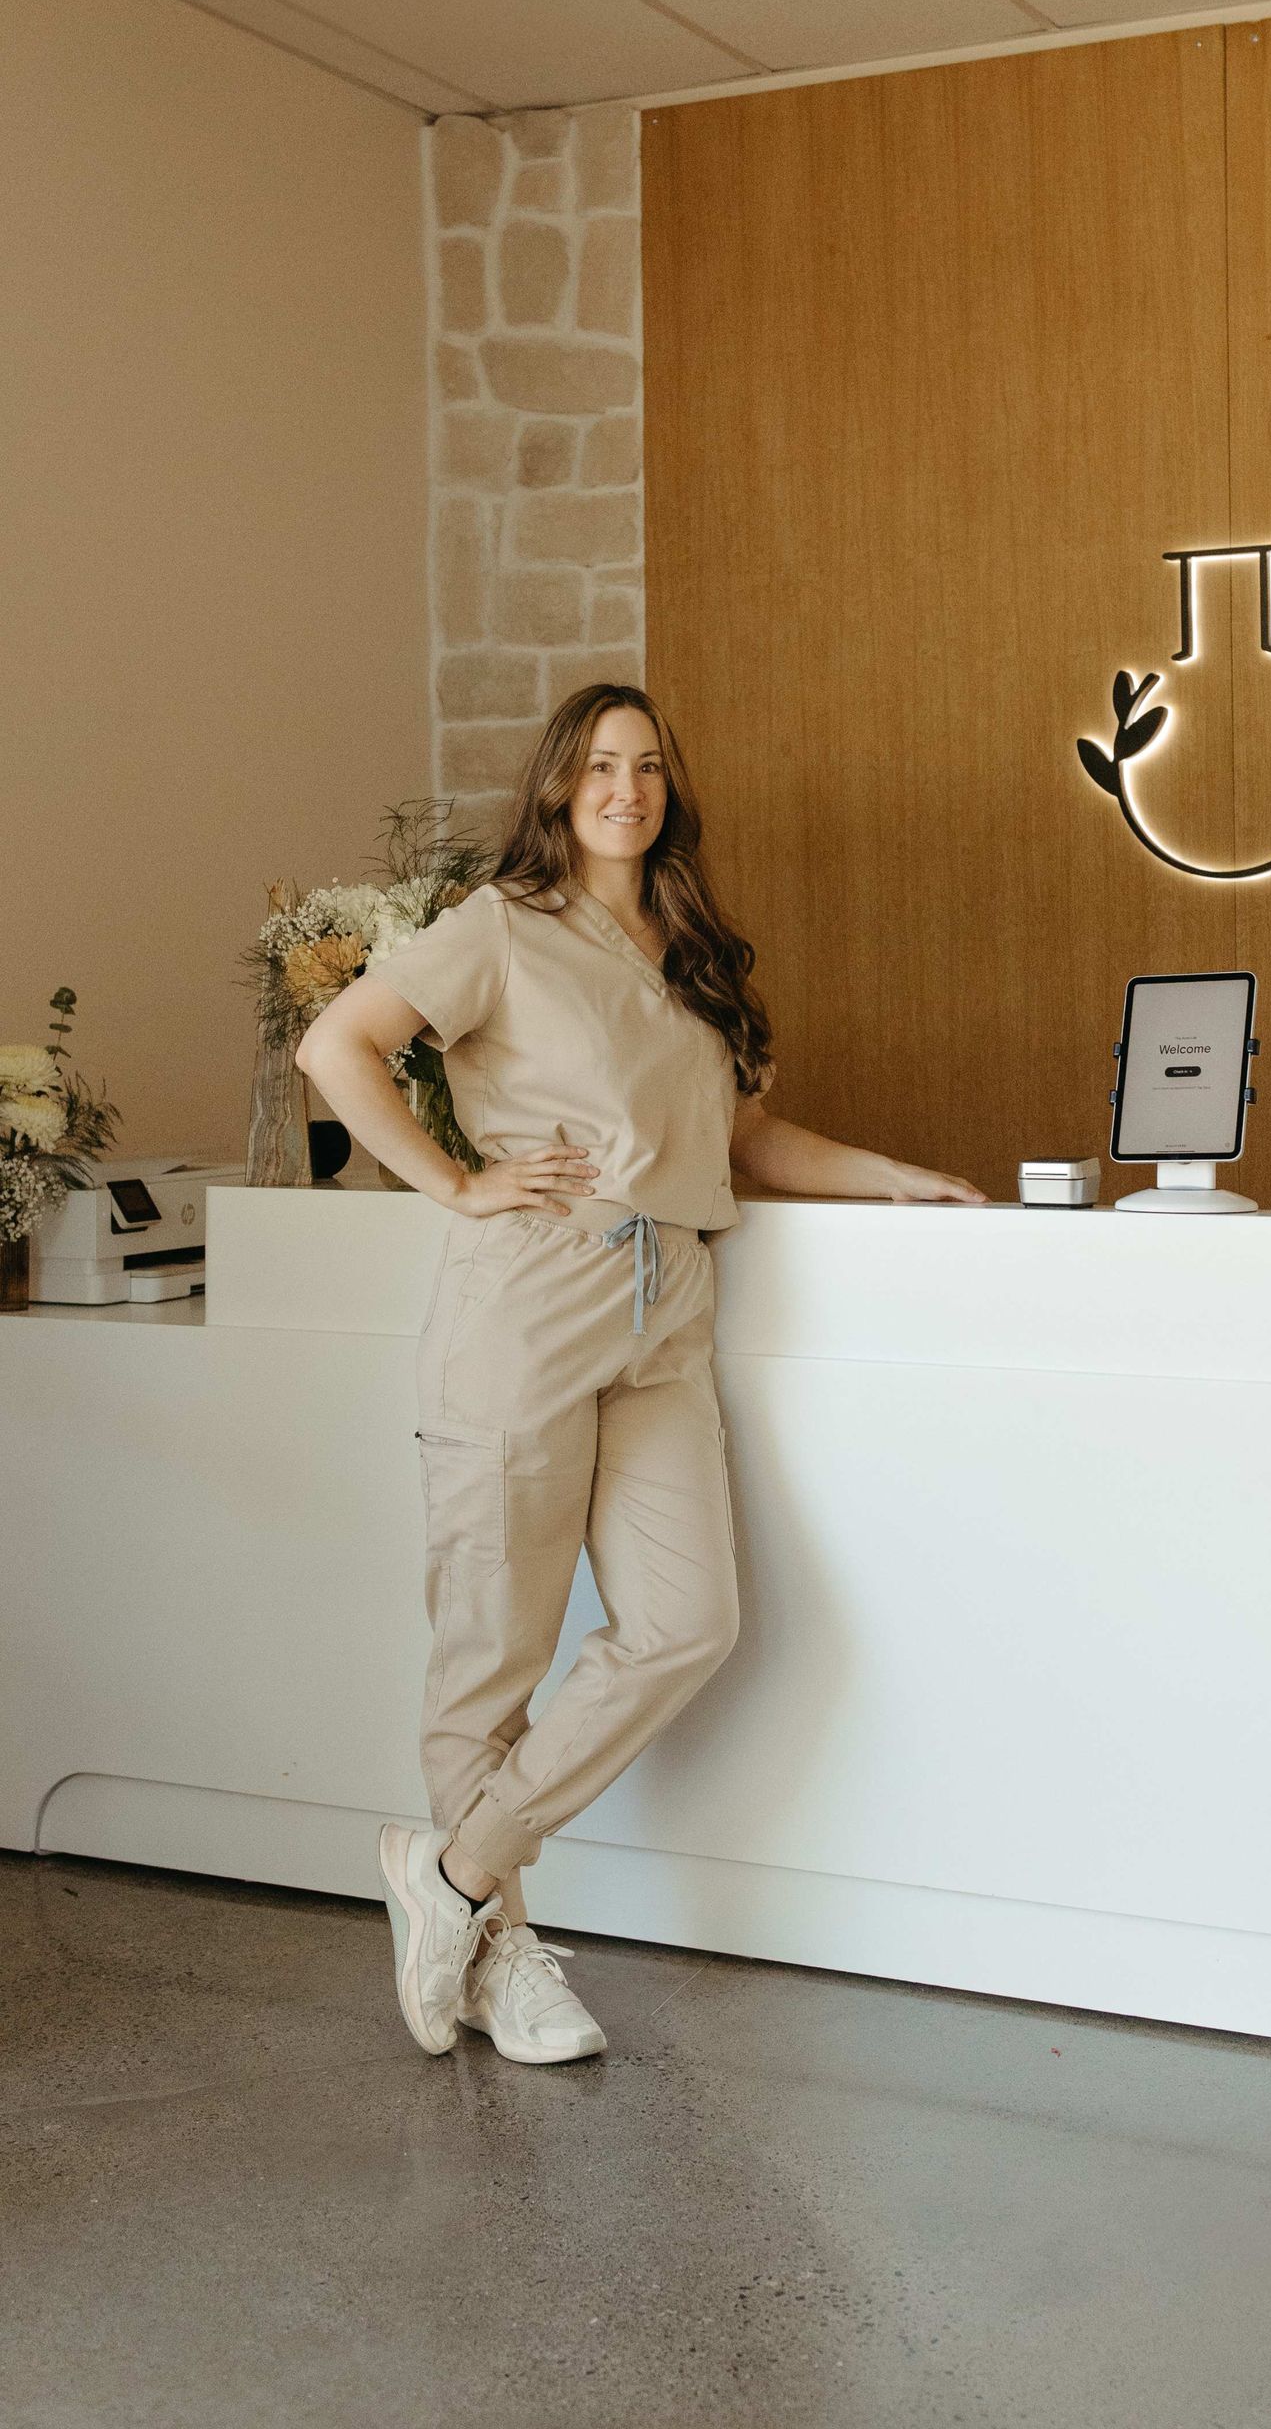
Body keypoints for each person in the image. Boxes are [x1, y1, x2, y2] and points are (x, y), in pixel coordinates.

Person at [298, 682, 982, 2066]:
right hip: (532, 1302)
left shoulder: (696, 950)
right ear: (559, 787)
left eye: (650, 766)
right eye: (602, 765)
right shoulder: (501, 929)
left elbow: (746, 1138)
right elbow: (337, 1046)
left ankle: (455, 1868)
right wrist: (456, 1180)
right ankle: (501, 1959)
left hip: (668, 1309)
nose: (628, 787)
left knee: (687, 1619)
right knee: (493, 1648)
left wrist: (891, 1177)